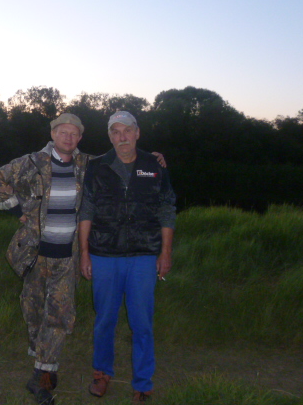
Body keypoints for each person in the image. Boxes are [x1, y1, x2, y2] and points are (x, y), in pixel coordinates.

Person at [0, 113, 167, 405]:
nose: (68, 138)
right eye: (63, 132)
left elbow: (122, 157)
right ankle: (42, 359)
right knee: (33, 312)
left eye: (74, 134)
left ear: (80, 138)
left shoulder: (88, 164)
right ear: (53, 134)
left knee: (58, 316)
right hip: (33, 254)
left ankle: (43, 376)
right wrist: (17, 210)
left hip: (67, 256)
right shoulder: (31, 162)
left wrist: (151, 158)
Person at [78, 111, 176, 404]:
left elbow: (167, 208)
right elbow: (87, 209)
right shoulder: (97, 166)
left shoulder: (154, 165)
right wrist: (84, 253)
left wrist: (165, 252)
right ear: (110, 136)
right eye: (115, 132)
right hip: (104, 254)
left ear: (137, 133)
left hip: (144, 255)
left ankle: (143, 383)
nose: (122, 137)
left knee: (142, 323)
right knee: (104, 320)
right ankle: (101, 372)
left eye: (127, 130)